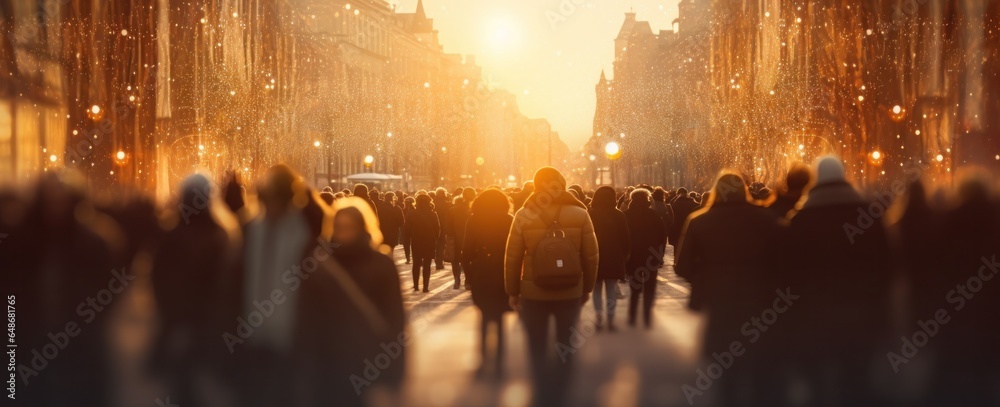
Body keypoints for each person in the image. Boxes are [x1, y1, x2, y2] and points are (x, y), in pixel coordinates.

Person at [784, 156, 892, 406]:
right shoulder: (868, 213)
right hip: (861, 309)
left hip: (815, 312)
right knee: (856, 375)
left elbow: (788, 269)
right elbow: (885, 262)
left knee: (819, 378)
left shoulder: (801, 219)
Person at [674, 172, 784, 405]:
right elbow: (783, 259)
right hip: (759, 301)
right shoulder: (765, 219)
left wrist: (705, 279)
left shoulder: (699, 220)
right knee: (757, 365)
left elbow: (682, 266)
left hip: (719, 301)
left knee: (726, 369)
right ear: (744, 190)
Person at [294, 197, 406, 406]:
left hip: (367, 360)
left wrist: (394, 373)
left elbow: (395, 319)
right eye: (338, 227)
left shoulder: (381, 264)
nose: (343, 233)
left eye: (349, 227)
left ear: (362, 228)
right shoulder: (321, 265)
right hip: (328, 362)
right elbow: (308, 319)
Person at [504, 167, 599, 407]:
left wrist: (513, 291)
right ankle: (562, 392)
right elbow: (591, 256)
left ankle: (541, 390)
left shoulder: (523, 215)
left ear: (536, 186)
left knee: (536, 343)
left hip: (534, 290)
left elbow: (512, 257)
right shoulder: (580, 213)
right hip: (570, 289)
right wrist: (587, 287)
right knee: (566, 342)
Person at [149, 174, 240, 406]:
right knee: (203, 382)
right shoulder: (221, 235)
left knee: (185, 381)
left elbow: (160, 280)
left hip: (187, 321)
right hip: (208, 321)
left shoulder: (172, 233)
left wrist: (173, 317)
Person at [237, 164, 313, 406]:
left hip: (290, 340)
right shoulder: (247, 230)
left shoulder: (305, 235)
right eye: (269, 200)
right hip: (250, 337)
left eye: (280, 200)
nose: (274, 208)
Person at [462, 189, 514, 378]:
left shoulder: (474, 219)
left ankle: (484, 360)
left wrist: (469, 276)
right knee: (499, 317)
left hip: (482, 272)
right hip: (503, 272)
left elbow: (466, 252)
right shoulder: (508, 219)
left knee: (485, 315)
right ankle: (499, 363)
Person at [587, 186, 630, 331]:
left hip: (594, 254)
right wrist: (626, 254)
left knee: (597, 288)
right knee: (611, 288)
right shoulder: (618, 215)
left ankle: (599, 318)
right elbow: (625, 237)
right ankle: (611, 320)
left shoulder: (590, 214)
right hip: (614, 255)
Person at [623, 188, 667, 328]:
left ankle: (632, 317)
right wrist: (659, 254)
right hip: (650, 256)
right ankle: (647, 318)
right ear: (648, 199)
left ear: (632, 199)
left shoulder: (626, 215)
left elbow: (622, 237)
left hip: (633, 256)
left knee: (634, 287)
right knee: (649, 287)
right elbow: (662, 235)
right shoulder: (653, 215)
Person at [404, 194, 440, 292]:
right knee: (427, 264)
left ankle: (416, 285)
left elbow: (406, 230)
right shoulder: (433, 214)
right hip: (429, 241)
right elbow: (437, 229)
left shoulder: (411, 214)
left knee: (416, 263)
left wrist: (407, 240)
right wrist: (434, 239)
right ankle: (425, 287)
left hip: (416, 241)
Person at [447, 188, 476, 288]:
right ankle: (468, 280)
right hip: (469, 238)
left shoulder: (452, 210)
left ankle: (456, 278)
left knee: (455, 259)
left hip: (455, 238)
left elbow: (448, 227)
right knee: (468, 259)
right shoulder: (472, 210)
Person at [432, 188, 452, 270]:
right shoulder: (448, 205)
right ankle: (439, 262)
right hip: (444, 227)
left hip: (433, 227)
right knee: (441, 245)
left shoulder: (433, 204)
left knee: (435, 244)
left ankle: (436, 259)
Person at [400, 196, 415, 264]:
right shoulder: (415, 210)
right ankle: (414, 257)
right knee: (414, 244)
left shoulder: (403, 210)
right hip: (414, 229)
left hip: (405, 229)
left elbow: (401, 220)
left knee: (406, 244)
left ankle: (408, 257)